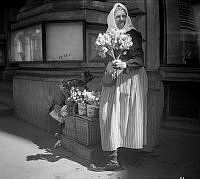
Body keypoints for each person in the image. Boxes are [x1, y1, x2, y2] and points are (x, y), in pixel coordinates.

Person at [89, 3, 148, 171]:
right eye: (118, 16)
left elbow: (140, 60)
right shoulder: (107, 35)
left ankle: (131, 157)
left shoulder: (134, 34)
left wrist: (123, 63)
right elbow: (103, 57)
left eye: (124, 16)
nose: (121, 19)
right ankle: (112, 159)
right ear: (112, 18)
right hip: (114, 79)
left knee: (130, 116)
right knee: (109, 115)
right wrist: (109, 62)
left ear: (127, 16)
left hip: (131, 79)